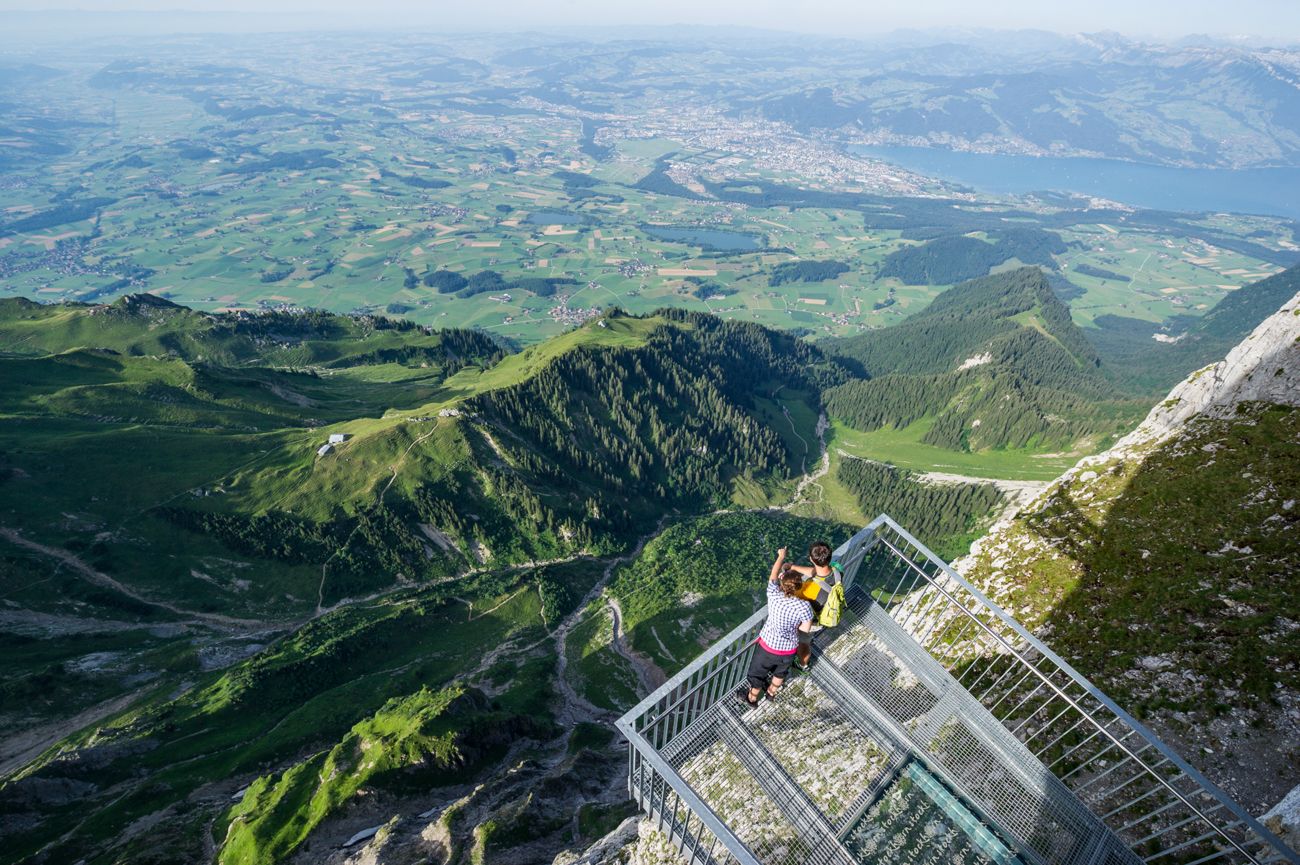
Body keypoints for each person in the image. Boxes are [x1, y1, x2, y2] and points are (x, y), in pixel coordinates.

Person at [742, 547, 814, 708]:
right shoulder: (804, 606)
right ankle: (771, 694)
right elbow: (805, 629)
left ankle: (752, 698)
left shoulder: (774, 595)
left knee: (757, 675)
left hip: (768, 647)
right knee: (780, 673)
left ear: (782, 583)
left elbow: (773, 576)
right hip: (788, 649)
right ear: (799, 586)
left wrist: (781, 557)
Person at [790, 541, 840, 670]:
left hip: (812, 622)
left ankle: (803, 665)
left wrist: (783, 577)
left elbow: (789, 597)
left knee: (803, 643)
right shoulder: (837, 570)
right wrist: (794, 567)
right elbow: (816, 573)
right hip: (829, 610)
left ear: (811, 559)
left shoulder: (809, 590)